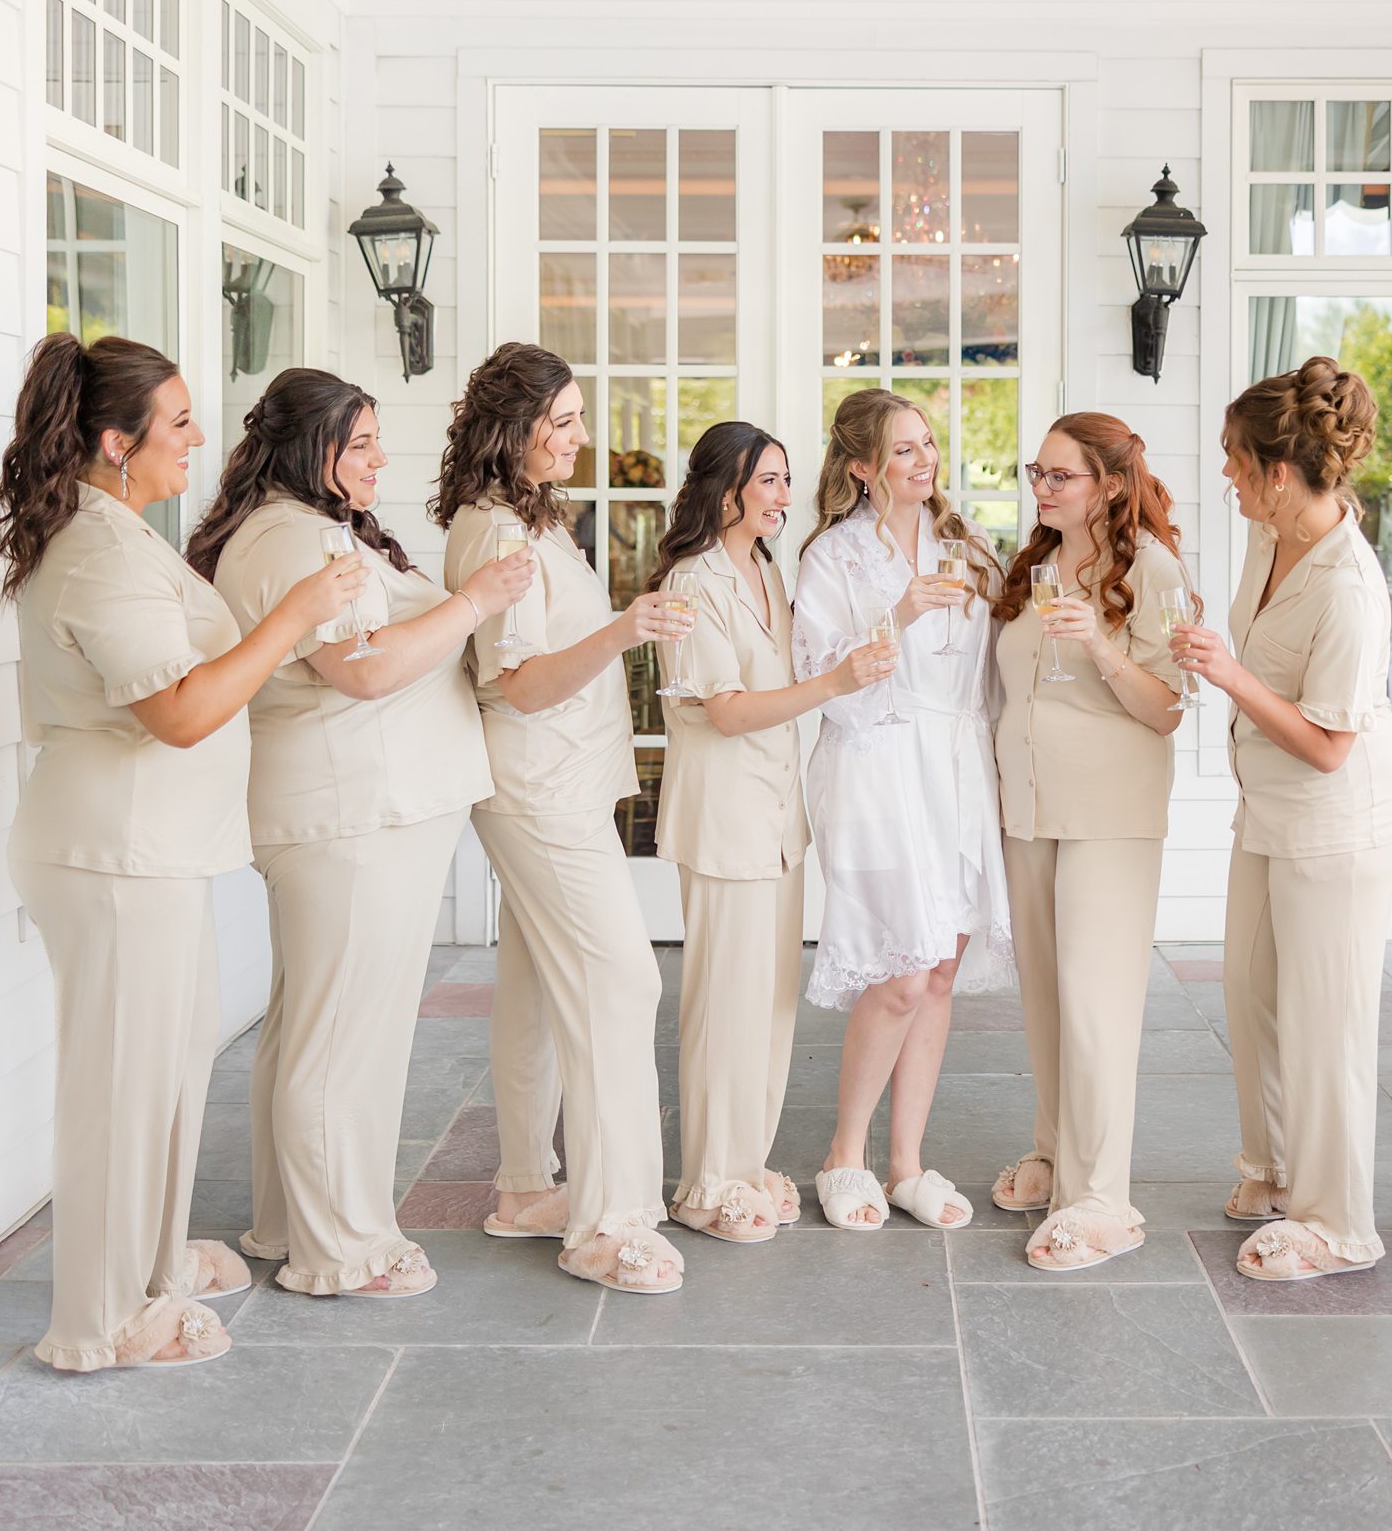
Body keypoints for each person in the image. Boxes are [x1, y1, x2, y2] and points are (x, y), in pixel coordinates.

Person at [0, 333, 362, 1369]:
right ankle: (97, 1320)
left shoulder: (117, 530)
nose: (200, 440)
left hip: (147, 852)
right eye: (182, 422)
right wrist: (293, 614)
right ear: (117, 441)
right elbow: (183, 711)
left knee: (160, 1077)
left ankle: (149, 1269)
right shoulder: (101, 551)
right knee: (120, 1090)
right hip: (112, 855)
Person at [185, 367, 533, 1300]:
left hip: (361, 814)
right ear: (312, 448)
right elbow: (366, 672)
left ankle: (287, 1222)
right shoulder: (291, 538)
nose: (382, 459)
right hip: (351, 818)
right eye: (363, 442)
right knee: (345, 1041)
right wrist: (477, 603)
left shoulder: (303, 530)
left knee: (312, 1028)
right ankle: (340, 1249)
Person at [431, 342, 691, 1294]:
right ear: (518, 429)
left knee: (537, 989)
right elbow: (519, 686)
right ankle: (609, 1224)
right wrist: (627, 628)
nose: (582, 440)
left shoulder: (524, 521)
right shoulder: (499, 533)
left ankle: (525, 1190)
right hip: (539, 792)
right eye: (566, 423)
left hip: (558, 785)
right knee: (622, 984)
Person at [1168, 358, 1392, 1281]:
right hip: (1265, 806)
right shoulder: (1271, 540)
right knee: (1253, 992)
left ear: (1277, 470)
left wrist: (1231, 675)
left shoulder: (1348, 583)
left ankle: (1339, 1221)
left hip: (1335, 818)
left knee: (1325, 1017)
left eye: (1234, 461)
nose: (1224, 477)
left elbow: (1328, 744)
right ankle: (1275, 1173)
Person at [646, 420, 890, 1244]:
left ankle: (745, 1163)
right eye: (772, 481)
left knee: (771, 1003)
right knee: (723, 1004)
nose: (787, 496)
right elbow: (725, 710)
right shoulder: (693, 582)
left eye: (788, 480)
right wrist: (835, 682)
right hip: (723, 820)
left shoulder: (764, 570)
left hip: (779, 821)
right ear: (728, 490)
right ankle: (707, 1184)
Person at [791, 387, 1010, 1233]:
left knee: (945, 968)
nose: (926, 462)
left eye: (928, 445)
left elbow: (989, 675)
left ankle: (908, 1163)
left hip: (955, 764)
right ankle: (844, 1156)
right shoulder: (835, 557)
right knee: (902, 970)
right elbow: (821, 673)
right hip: (879, 762)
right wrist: (900, 609)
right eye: (905, 450)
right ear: (862, 468)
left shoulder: (966, 546)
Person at [989, 413, 1184, 1272]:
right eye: (1038, 471)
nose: (1042, 486)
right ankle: (1059, 1150)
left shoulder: (1152, 570)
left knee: (1096, 1002)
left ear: (1108, 483)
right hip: (1028, 807)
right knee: (1045, 996)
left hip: (1109, 809)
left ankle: (1101, 1199)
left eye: (1060, 475)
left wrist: (1101, 645)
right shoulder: (1030, 564)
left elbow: (1166, 707)